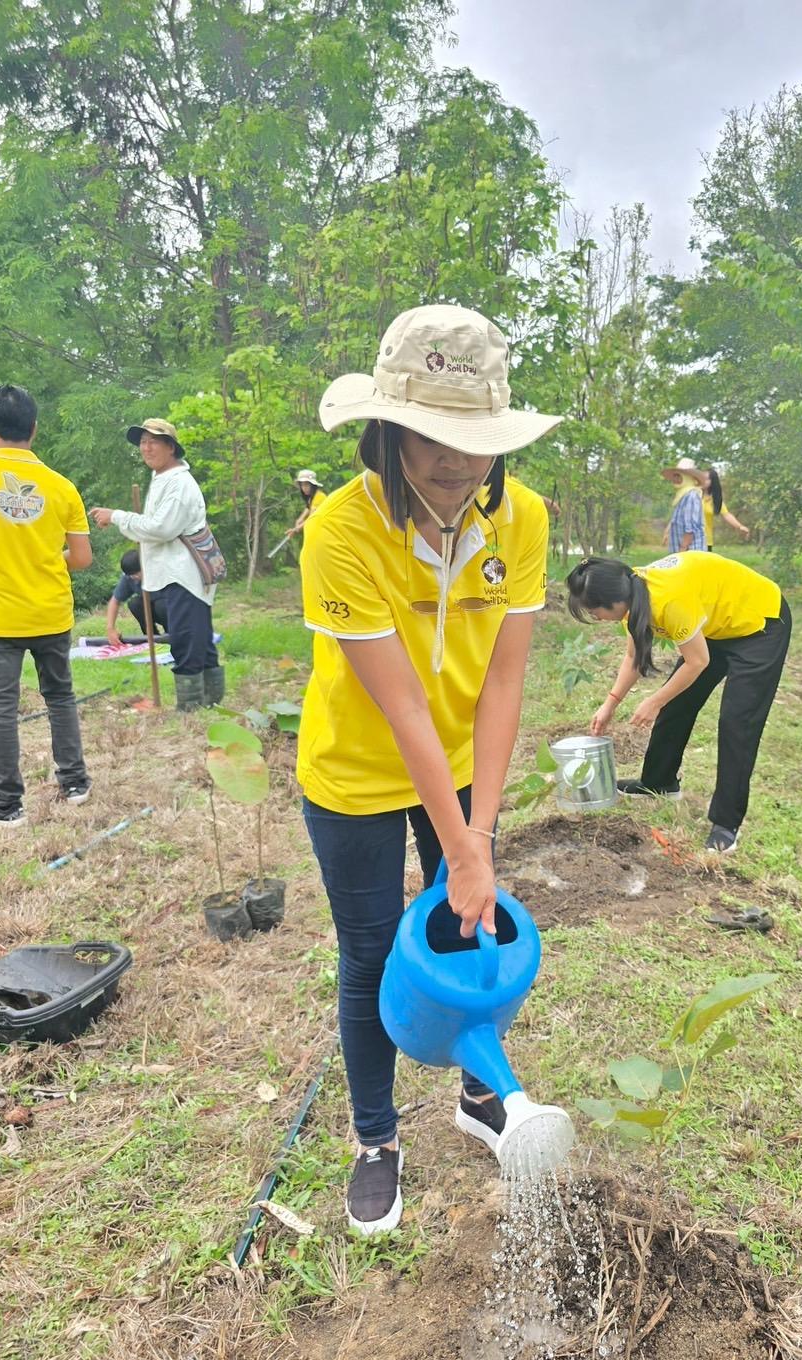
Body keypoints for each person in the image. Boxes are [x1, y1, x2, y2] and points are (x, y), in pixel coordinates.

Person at [298, 304, 560, 1235]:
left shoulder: (520, 519)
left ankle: (481, 1093)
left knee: (465, 920)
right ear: (391, 428)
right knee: (371, 950)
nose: (457, 461)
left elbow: (502, 685)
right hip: (357, 771)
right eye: (433, 438)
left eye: (475, 440)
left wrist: (474, 837)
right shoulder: (341, 529)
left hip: (458, 763)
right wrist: (463, 842)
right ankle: (376, 1137)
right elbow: (401, 702)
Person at [566, 551, 791, 854]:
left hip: (760, 622)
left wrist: (654, 700)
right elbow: (633, 657)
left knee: (737, 722)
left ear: (613, 600)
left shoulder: (668, 600)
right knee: (678, 702)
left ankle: (726, 824)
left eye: (594, 612)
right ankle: (660, 782)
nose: (596, 618)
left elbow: (697, 662)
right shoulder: (633, 595)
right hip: (716, 624)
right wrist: (610, 704)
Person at [0, 384, 93, 825]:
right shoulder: (61, 487)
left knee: (0, 705)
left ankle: (6, 804)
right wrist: (42, 559)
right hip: (51, 610)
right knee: (60, 695)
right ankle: (75, 783)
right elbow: (81, 558)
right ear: (34, 429)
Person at [89, 418, 222, 711]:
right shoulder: (163, 478)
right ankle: (209, 703)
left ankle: (192, 709)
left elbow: (161, 528)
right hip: (173, 574)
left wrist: (117, 516)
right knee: (197, 638)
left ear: (171, 447)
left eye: (154, 442)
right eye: (143, 443)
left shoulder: (178, 483)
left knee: (187, 639)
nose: (146, 448)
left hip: (184, 574)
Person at [661, 458, 750, 553]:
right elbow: (680, 516)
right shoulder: (688, 494)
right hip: (684, 539)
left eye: (707, 479)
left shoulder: (709, 499)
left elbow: (726, 515)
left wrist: (739, 526)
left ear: (713, 482)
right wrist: (667, 531)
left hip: (702, 541)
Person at [105, 549, 167, 647]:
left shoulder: (160, 570)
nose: (134, 577)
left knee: (161, 605)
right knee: (134, 604)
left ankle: (172, 635)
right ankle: (152, 639)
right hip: (151, 610)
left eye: (137, 573)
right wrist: (110, 628)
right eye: (131, 575)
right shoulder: (129, 578)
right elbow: (114, 601)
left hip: (172, 611)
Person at [289, 470, 325, 536]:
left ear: (312, 485)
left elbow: (311, 518)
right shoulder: (311, 498)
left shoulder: (319, 496)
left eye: (306, 485)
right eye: (302, 485)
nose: (304, 488)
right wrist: (299, 520)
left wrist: (297, 529)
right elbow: (308, 508)